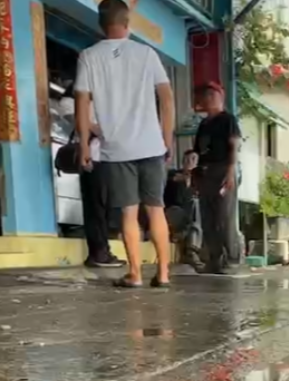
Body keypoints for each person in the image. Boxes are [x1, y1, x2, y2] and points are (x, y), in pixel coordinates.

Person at [75, 0, 174, 288]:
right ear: (127, 21)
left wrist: (83, 145)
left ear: (101, 24)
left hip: (117, 149)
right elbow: (167, 99)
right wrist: (165, 139)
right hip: (151, 146)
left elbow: (82, 102)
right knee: (156, 209)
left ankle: (135, 274)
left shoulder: (89, 56)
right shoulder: (146, 53)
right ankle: (164, 274)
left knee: (128, 212)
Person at [192, 82, 241, 274]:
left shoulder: (228, 120)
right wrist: (194, 175)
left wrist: (231, 170)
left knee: (224, 216)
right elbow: (197, 151)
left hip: (223, 169)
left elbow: (234, 144)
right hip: (205, 171)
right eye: (206, 96)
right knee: (207, 218)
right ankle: (214, 259)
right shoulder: (203, 124)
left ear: (221, 98)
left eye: (213, 95)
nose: (208, 99)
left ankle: (232, 259)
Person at [78, 117, 125, 268]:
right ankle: (99, 253)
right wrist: (95, 128)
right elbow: (68, 108)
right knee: (96, 207)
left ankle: (100, 251)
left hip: (105, 159)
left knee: (101, 208)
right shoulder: (84, 98)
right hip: (94, 159)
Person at [164, 149, 203, 269]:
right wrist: (185, 181)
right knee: (193, 209)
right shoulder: (174, 175)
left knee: (196, 207)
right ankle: (190, 247)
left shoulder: (200, 181)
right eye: (186, 160)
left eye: (193, 159)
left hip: (190, 218)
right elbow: (170, 178)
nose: (189, 162)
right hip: (174, 212)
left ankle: (189, 244)